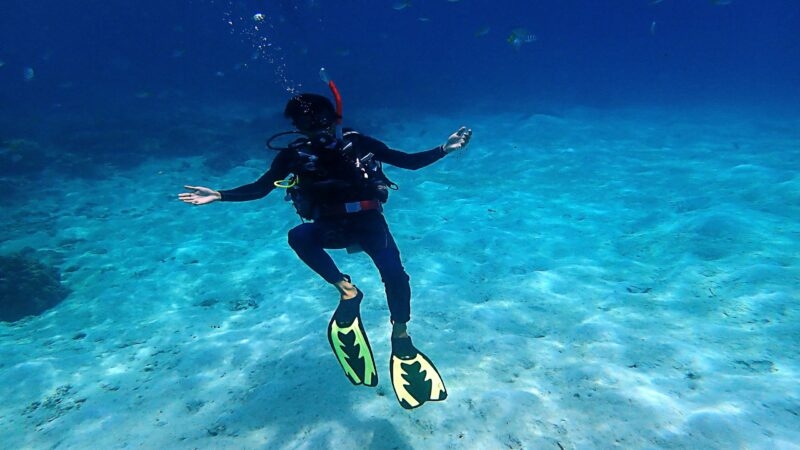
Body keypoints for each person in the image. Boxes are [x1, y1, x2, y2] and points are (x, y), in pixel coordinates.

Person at [179, 92, 471, 409]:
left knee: (395, 275)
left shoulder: (358, 143)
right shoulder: (294, 156)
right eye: (306, 123)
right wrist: (219, 195)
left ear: (334, 119)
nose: (316, 129)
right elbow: (261, 188)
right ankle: (347, 290)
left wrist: (445, 149)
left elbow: (407, 162)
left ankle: (400, 335)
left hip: (368, 223)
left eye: (320, 120)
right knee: (299, 236)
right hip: (330, 227)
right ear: (297, 127)